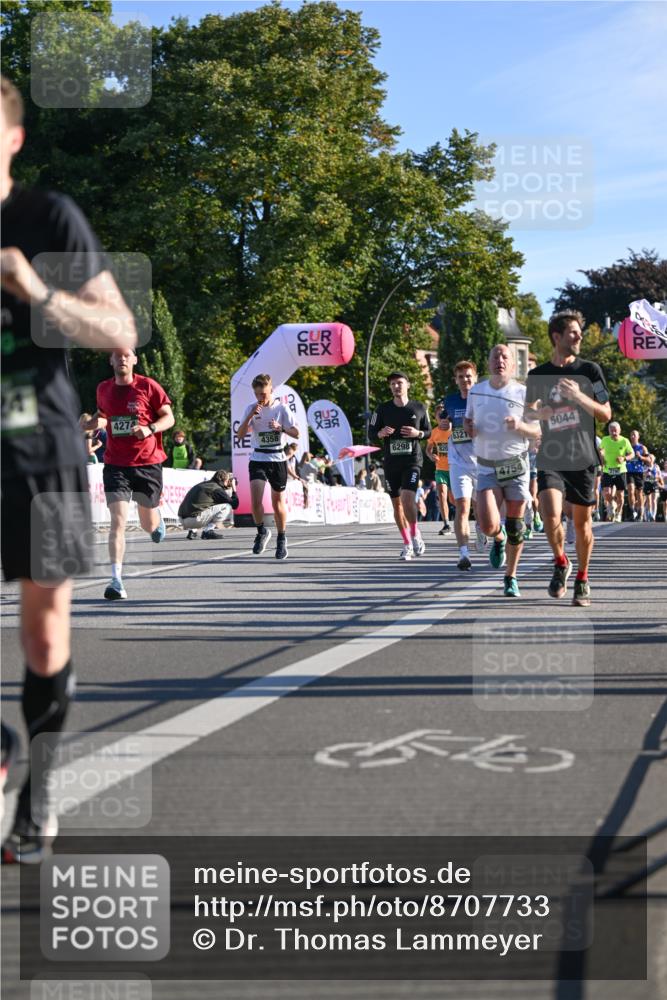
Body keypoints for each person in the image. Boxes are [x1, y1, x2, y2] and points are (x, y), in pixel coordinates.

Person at [0, 75, 136, 862]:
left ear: (13, 138)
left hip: (41, 451)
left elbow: (118, 326)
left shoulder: (49, 217)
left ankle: (39, 793)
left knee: (45, 631)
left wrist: (36, 290)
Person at [525, 310, 611, 607]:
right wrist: (540, 413)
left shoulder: (591, 371)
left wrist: (579, 397)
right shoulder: (537, 375)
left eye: (580, 332)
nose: (579, 337)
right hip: (551, 453)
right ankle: (561, 561)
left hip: (583, 456)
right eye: (573, 332)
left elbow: (606, 413)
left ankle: (583, 577)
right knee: (548, 511)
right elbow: (528, 412)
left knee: (582, 524)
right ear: (557, 336)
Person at [86, 348, 174, 600]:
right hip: (116, 464)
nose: (122, 358)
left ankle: (155, 516)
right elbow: (104, 416)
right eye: (117, 355)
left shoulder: (148, 386)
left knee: (148, 525)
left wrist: (150, 428)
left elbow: (169, 417)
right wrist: (91, 424)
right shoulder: (103, 388)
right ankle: (116, 580)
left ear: (134, 359)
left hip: (147, 463)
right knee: (118, 521)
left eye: (127, 355)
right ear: (111, 360)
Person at [465, 345, 539, 597]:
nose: (500, 360)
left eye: (505, 356)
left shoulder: (524, 392)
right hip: (486, 465)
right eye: (495, 356)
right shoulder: (476, 392)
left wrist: (520, 425)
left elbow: (537, 431)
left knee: (517, 526)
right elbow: (469, 425)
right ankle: (498, 538)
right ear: (488, 363)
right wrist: (469, 429)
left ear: (513, 364)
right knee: (486, 524)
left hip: (516, 465)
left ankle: (511, 576)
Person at [236, 373, 299, 560]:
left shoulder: (282, 409)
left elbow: (297, 434)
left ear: (271, 389)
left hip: (277, 458)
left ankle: (281, 538)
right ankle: (262, 531)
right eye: (257, 395)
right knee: (255, 501)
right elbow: (240, 435)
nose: (260, 398)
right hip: (258, 458)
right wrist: (249, 416)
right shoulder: (251, 408)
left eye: (263, 394)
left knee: (277, 502)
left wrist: (281, 428)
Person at [369, 371, 430, 560]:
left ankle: (415, 534)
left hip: (412, 461)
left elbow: (428, 431)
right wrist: (380, 433)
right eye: (393, 384)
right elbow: (371, 433)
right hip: (391, 463)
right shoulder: (382, 409)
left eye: (400, 383)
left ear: (408, 385)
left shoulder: (419, 407)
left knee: (407, 498)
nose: (396, 386)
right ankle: (407, 543)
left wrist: (417, 433)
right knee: (397, 505)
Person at [442, 360, 487, 570]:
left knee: (481, 509)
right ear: (456, 380)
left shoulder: (484, 400)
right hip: (458, 460)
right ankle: (463, 554)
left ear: (475, 378)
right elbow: (444, 419)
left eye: (468, 376)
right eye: (461, 377)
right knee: (462, 506)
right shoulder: (450, 400)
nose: (465, 380)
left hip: (481, 461)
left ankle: (481, 528)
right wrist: (444, 423)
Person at [178, 469, 238, 540]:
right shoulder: (216, 489)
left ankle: (193, 531)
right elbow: (235, 505)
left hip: (182, 519)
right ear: (224, 480)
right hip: (194, 520)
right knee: (227, 506)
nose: (229, 482)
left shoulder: (203, 484)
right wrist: (234, 489)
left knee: (204, 505)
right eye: (228, 480)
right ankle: (208, 531)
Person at [599, 422, 633, 523]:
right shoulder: (605, 439)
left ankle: (619, 513)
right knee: (606, 492)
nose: (613, 432)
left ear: (619, 431)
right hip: (607, 470)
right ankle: (611, 505)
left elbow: (632, 453)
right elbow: (600, 449)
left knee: (620, 495)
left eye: (615, 430)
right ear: (609, 431)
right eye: (611, 430)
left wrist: (624, 458)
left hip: (620, 471)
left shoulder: (624, 441)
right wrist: (601, 456)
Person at [425, 409, 452, 533]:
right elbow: (428, 450)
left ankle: (466, 519)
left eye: (444, 414)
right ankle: (446, 524)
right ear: (436, 417)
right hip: (441, 469)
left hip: (456, 469)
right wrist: (431, 456)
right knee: (441, 494)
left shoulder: (455, 430)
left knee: (454, 500)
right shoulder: (434, 432)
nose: (442, 418)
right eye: (439, 415)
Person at [625, 429, 650, 521]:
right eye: (631, 435)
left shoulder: (643, 448)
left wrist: (641, 457)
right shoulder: (627, 447)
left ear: (638, 437)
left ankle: (640, 512)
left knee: (639, 493)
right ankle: (632, 512)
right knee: (631, 490)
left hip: (639, 472)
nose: (632, 436)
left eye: (634, 435)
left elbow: (649, 461)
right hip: (629, 471)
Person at [642, 455, 662, 521]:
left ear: (653, 459)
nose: (650, 458)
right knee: (649, 500)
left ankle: (653, 515)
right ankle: (649, 513)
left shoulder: (656, 466)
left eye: (651, 457)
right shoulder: (645, 467)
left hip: (654, 483)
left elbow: (659, 476)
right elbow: (643, 476)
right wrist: (646, 474)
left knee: (654, 500)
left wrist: (655, 476)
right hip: (647, 483)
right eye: (649, 457)